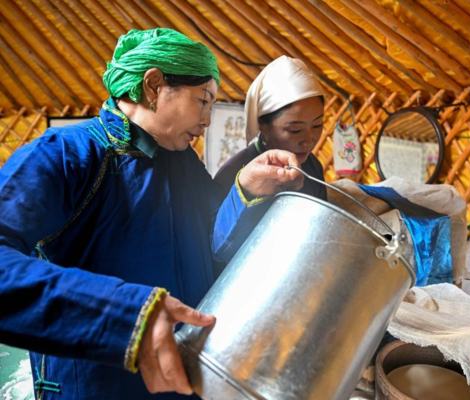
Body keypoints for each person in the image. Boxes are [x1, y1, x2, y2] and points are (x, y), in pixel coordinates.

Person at [0, 28, 302, 399]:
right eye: (203, 101)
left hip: (185, 379)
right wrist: (124, 315)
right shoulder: (64, 156)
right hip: (98, 388)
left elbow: (213, 242)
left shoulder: (182, 162)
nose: (207, 120)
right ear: (154, 85)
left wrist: (245, 190)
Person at [214, 56, 327, 201]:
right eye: (295, 130)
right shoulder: (233, 175)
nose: (309, 141)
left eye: (317, 125)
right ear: (263, 125)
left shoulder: (313, 167)